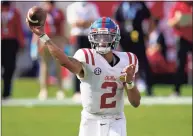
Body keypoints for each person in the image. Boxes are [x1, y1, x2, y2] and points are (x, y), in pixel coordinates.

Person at [26, 16, 141, 136]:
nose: (101, 41)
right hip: (90, 120)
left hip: (116, 120)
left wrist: (129, 82)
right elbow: (65, 61)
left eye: (106, 37)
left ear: (115, 38)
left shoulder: (127, 60)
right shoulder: (86, 57)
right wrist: (44, 37)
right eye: (98, 37)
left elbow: (135, 103)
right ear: (92, 37)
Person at [113, 1, 154, 96]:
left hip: (138, 36)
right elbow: (116, 21)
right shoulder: (121, 5)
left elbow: (150, 17)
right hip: (124, 37)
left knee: (143, 62)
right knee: (123, 62)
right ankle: (120, 88)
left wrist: (148, 33)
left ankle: (149, 88)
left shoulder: (140, 4)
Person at [30, 1, 68, 100]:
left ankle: (60, 90)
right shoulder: (40, 13)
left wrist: (64, 40)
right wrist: (35, 43)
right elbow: (36, 28)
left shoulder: (59, 12)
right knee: (44, 65)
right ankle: (44, 90)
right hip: (44, 38)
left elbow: (63, 26)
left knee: (59, 66)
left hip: (56, 39)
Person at [66, 1, 100, 101]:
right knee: (77, 63)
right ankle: (77, 91)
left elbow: (95, 21)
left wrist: (84, 23)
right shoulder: (72, 7)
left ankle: (92, 90)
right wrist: (86, 22)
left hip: (90, 37)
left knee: (91, 63)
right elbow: (74, 22)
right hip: (78, 37)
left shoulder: (92, 6)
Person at [168, 1, 193, 96]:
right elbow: (170, 22)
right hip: (182, 38)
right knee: (180, 65)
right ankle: (176, 90)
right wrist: (178, 19)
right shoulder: (178, 5)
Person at [1, 1, 25, 99]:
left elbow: (19, 28)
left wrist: (21, 43)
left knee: (9, 68)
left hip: (11, 42)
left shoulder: (15, 12)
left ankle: (6, 92)